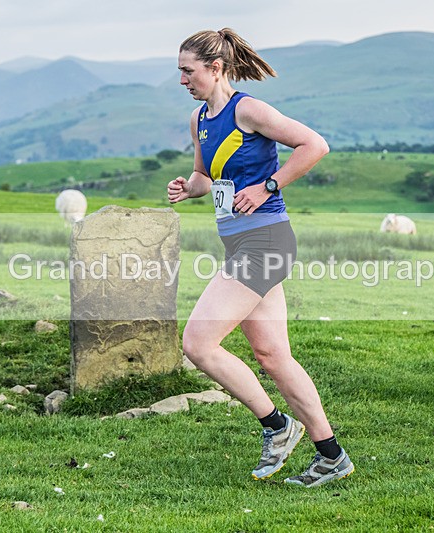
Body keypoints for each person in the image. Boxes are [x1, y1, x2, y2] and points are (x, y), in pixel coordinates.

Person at [167, 28, 354, 487]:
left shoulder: (247, 110)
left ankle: (276, 426)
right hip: (240, 242)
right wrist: (189, 187)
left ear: (215, 68)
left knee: (197, 344)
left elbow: (315, 145)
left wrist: (268, 186)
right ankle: (331, 456)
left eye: (188, 71)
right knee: (273, 356)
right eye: (180, 72)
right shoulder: (199, 119)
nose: (183, 80)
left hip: (265, 242)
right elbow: (205, 176)